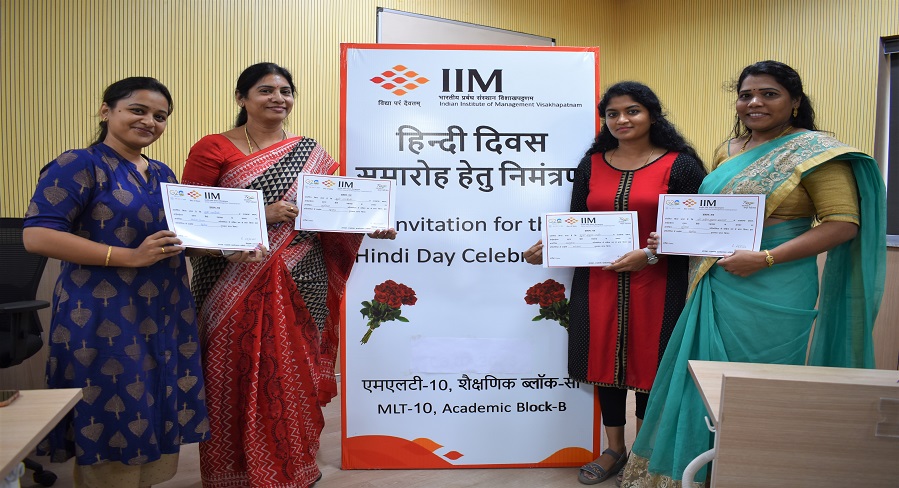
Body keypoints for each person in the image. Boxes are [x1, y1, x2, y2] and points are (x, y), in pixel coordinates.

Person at [621, 60, 886, 487]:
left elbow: (842, 224)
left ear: (794, 101)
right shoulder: (729, 150)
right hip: (716, 281)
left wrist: (765, 259)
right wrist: (673, 237)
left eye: (769, 94)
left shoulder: (816, 153)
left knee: (760, 386)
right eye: (746, 95)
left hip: (775, 286)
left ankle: (751, 474)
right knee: (700, 379)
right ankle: (698, 473)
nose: (755, 103)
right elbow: (713, 216)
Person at [182, 62, 395, 488]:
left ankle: (294, 468)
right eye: (265, 90)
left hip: (302, 279)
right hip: (231, 281)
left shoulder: (310, 152)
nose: (278, 98)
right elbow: (193, 218)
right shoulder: (213, 148)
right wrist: (262, 213)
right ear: (242, 98)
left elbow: (331, 210)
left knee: (294, 373)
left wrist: (369, 223)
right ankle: (233, 474)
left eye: (285, 91)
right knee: (233, 375)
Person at [22, 77, 210, 487]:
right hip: (101, 312)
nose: (150, 122)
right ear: (106, 111)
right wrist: (128, 257)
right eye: (137, 110)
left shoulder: (161, 172)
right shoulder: (78, 164)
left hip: (165, 308)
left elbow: (177, 239)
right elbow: (37, 236)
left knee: (155, 397)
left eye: (160, 116)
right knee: (112, 402)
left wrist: (228, 248)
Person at [523, 81, 706, 485]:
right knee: (603, 360)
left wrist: (651, 255)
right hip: (598, 282)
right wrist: (549, 247)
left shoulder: (681, 166)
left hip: (660, 281)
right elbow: (577, 222)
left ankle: (644, 454)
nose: (622, 119)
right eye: (612, 113)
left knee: (650, 361)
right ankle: (614, 449)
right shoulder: (591, 165)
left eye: (632, 111)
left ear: (653, 115)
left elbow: (696, 228)